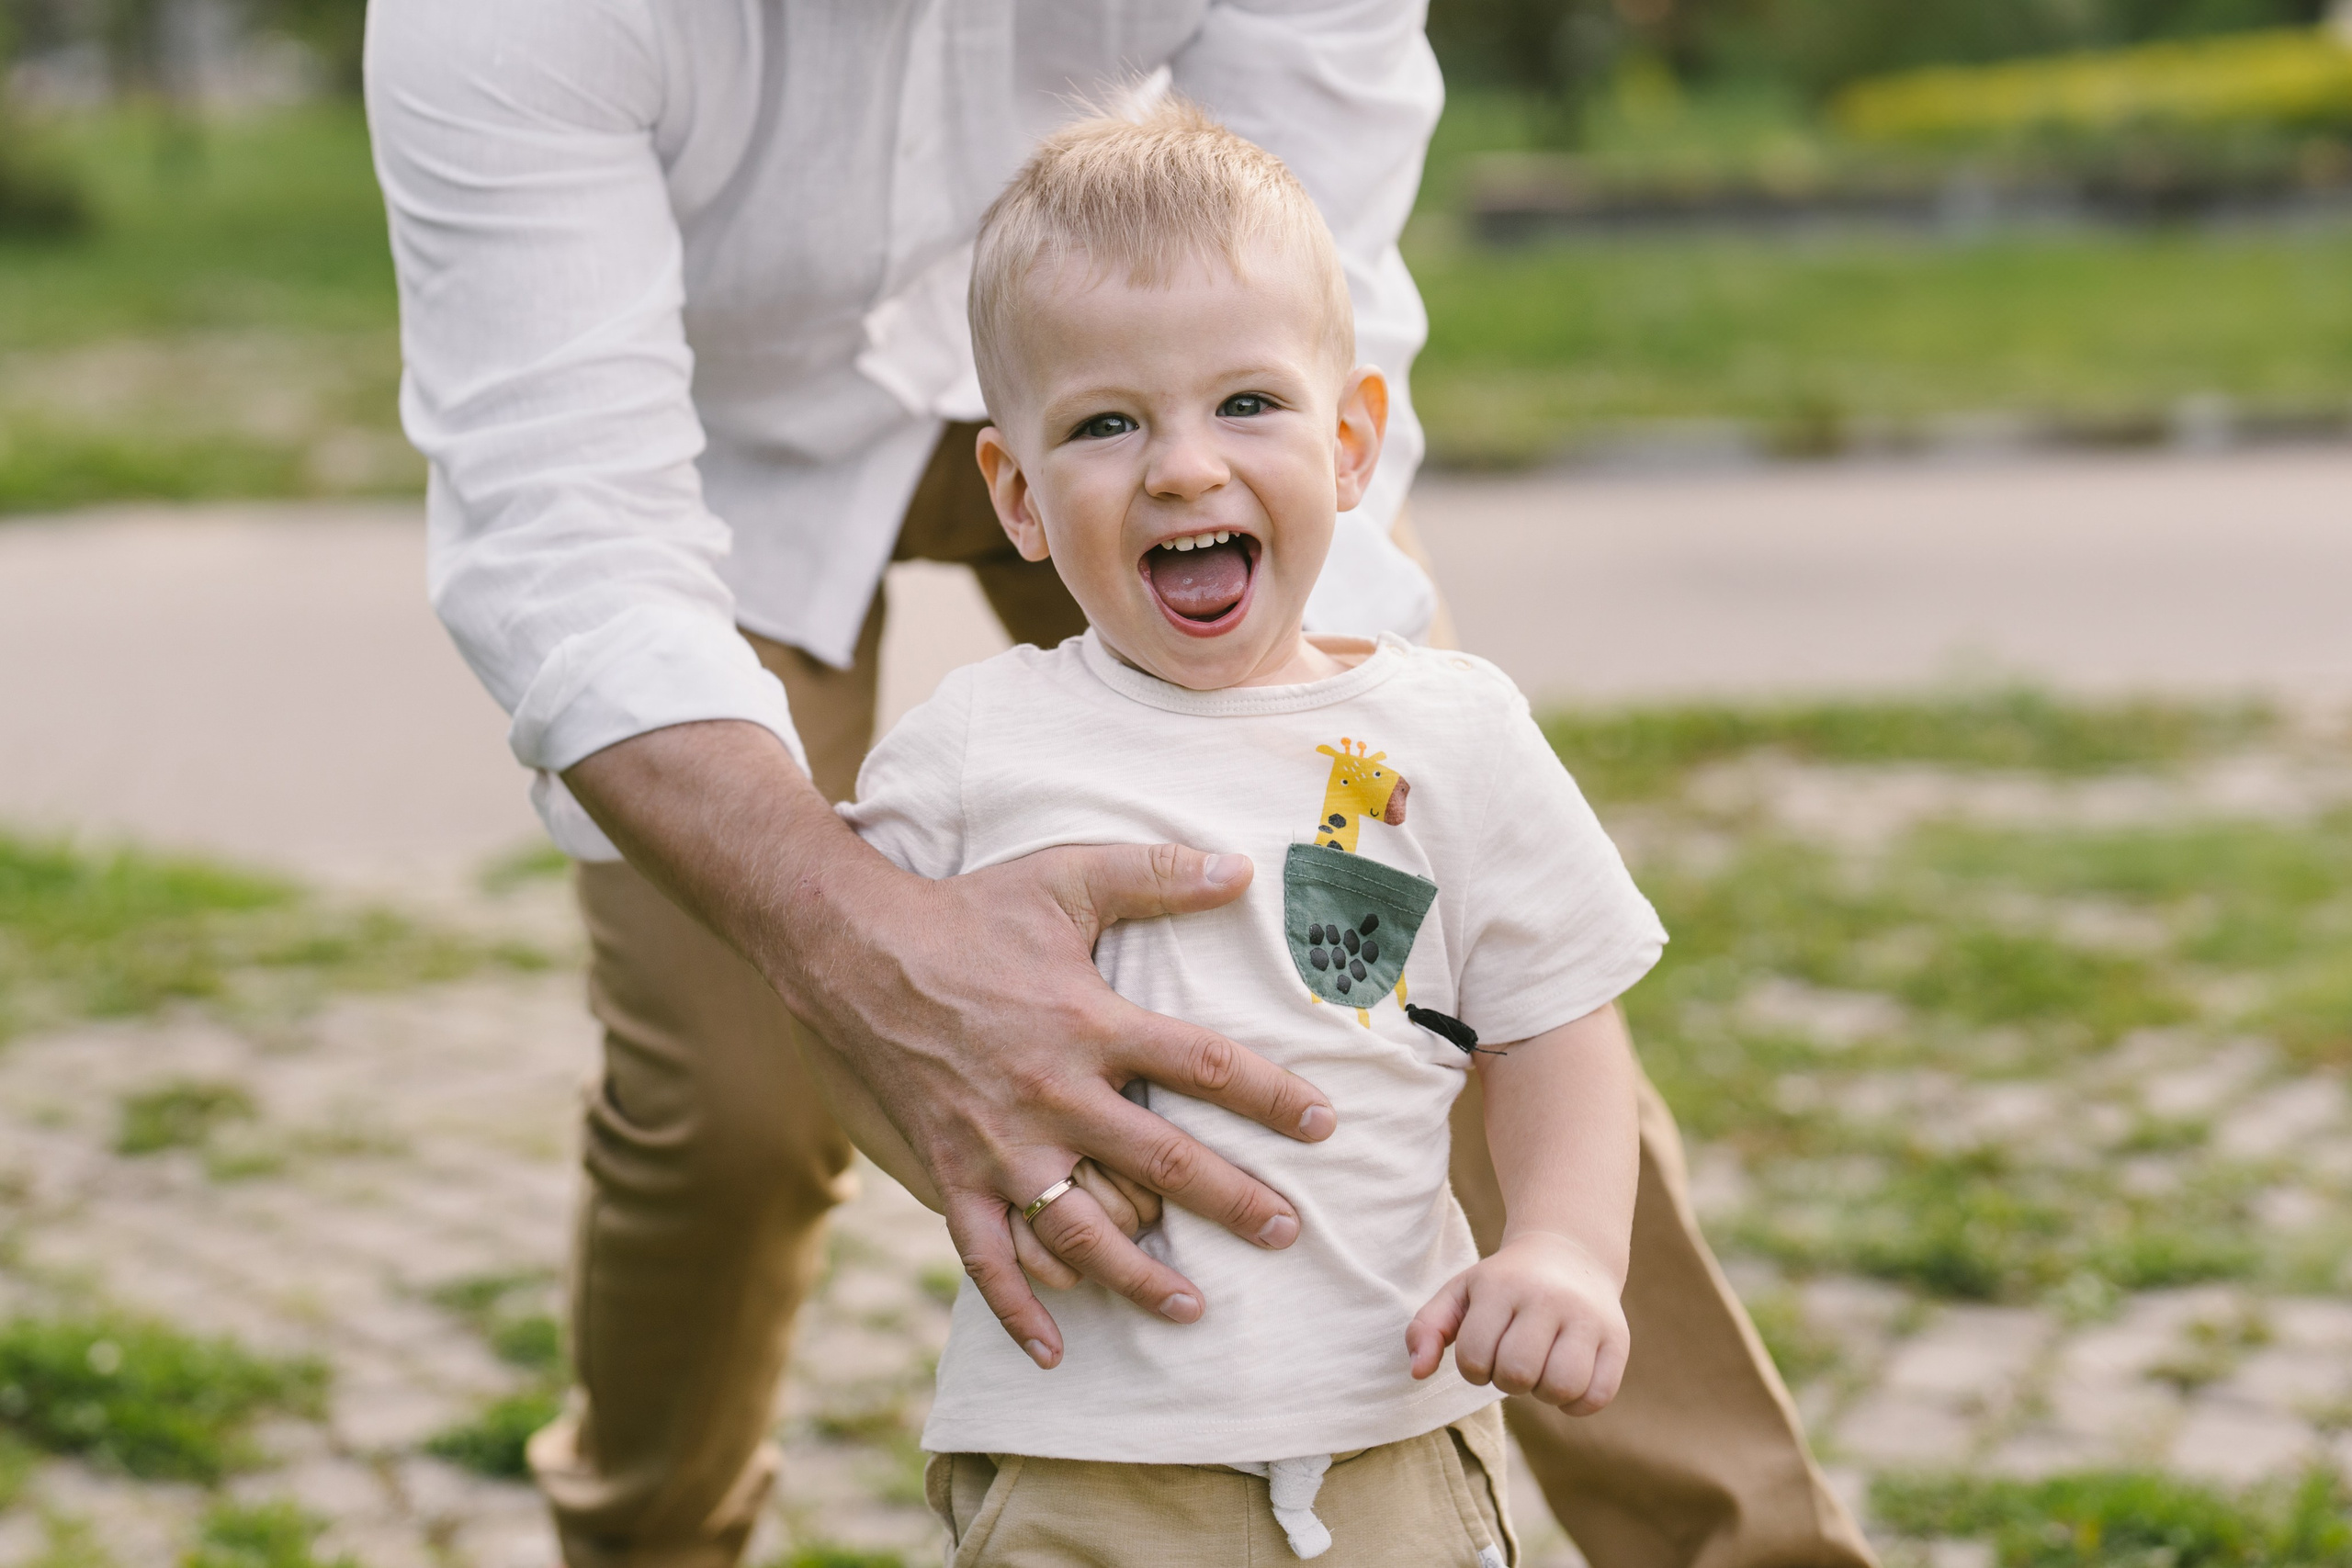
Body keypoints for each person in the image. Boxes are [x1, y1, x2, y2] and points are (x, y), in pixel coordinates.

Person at [363, 4, 1876, 1565]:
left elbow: (1314, 319)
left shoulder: (1246, 446)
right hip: (717, 466)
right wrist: (867, 952)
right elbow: (567, 540)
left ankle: (1745, 1548)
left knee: (1442, 982)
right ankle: (649, 1539)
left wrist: (1350, 743)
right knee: (734, 1107)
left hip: (1155, 355)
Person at [815, 102, 1661, 1566]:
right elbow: (845, 995)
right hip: (1082, 1457)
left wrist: (1567, 1247)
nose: (1186, 469)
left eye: (1246, 405)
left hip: (1391, 1426)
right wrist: (981, 1162)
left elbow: (1554, 1022)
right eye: (1105, 424)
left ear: (1350, 444)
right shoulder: (973, 747)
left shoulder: (1451, 733)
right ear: (1015, 495)